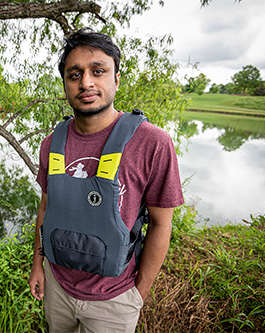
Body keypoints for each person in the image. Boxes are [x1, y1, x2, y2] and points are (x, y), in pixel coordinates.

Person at [28, 28, 185, 332]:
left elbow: (161, 224)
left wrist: (138, 294)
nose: (86, 82)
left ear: (115, 79)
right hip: (58, 289)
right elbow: (46, 208)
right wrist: (38, 265)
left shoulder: (152, 143)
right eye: (75, 74)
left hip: (115, 300)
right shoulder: (51, 143)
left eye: (97, 71)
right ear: (65, 84)